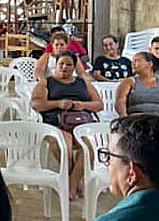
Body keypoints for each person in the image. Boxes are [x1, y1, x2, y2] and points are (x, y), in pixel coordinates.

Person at [31, 51, 104, 201]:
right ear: (56, 65)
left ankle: (71, 182)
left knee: (88, 146)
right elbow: (36, 103)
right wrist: (58, 103)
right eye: (61, 64)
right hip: (56, 122)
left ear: (74, 67)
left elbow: (99, 104)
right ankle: (74, 182)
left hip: (81, 122)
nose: (64, 67)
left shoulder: (83, 83)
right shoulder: (46, 83)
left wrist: (82, 105)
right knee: (65, 144)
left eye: (69, 64)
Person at [116, 51, 159, 122]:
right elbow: (120, 101)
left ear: (150, 64)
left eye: (137, 60)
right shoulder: (129, 82)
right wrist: (124, 117)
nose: (133, 64)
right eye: (132, 61)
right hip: (138, 122)